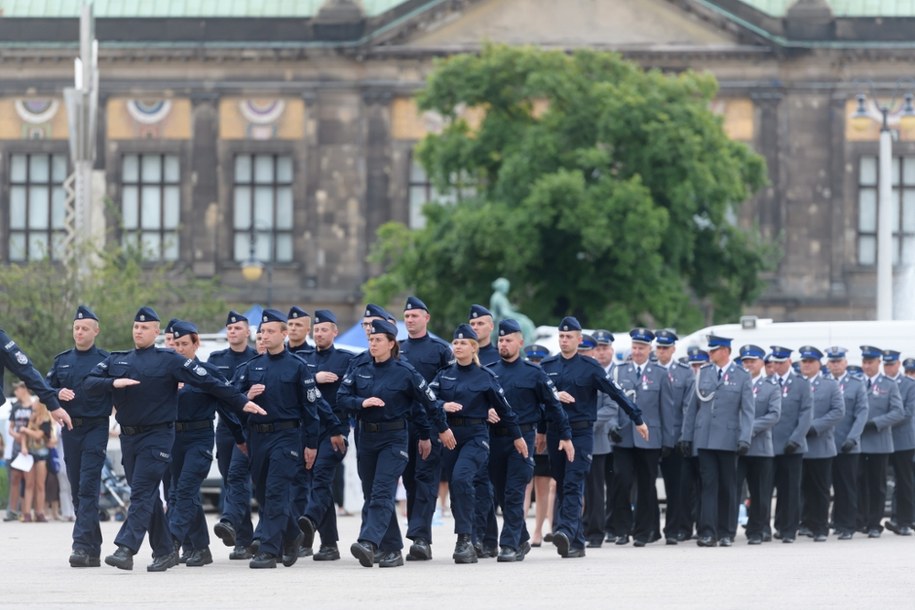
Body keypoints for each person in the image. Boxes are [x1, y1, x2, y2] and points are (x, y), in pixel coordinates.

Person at [84, 306, 265, 572]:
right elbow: (89, 383)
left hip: (159, 436)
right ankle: (166, 550)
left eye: (145, 328)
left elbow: (211, 382)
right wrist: (112, 384)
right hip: (129, 437)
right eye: (136, 327)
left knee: (145, 492)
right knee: (147, 496)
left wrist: (241, 402)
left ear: (156, 333)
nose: (139, 331)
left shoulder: (169, 360)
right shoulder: (119, 360)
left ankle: (126, 547)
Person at [338, 318, 453, 568]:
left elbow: (429, 404)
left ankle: (368, 542)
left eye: (378, 340)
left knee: (382, 490)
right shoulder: (360, 368)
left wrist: (438, 431)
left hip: (394, 438)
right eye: (370, 339)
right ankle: (392, 549)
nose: (373, 344)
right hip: (367, 437)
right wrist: (361, 403)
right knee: (372, 493)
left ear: (391, 343)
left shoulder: (406, 372)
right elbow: (342, 397)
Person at [232, 308, 331, 569]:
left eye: (270, 331)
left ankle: (268, 550)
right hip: (257, 437)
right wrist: (246, 397)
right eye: (262, 331)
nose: (264, 336)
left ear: (284, 334)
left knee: (276, 491)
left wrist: (311, 444)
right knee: (263, 494)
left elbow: (311, 410)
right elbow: (233, 400)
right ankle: (292, 535)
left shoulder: (298, 367)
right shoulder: (252, 366)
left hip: (287, 437)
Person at [541, 316, 646, 558]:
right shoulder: (546, 367)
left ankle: (565, 530)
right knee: (562, 481)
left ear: (579, 340)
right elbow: (536, 400)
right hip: (556, 432)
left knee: (573, 482)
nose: (564, 340)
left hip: (581, 432)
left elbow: (616, 393)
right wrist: (553, 399)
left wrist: (636, 417)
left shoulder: (590, 367)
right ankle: (576, 542)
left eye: (569, 337)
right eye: (562, 336)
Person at [432, 323, 525, 564]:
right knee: (457, 487)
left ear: (474, 348)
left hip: (476, 436)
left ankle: (464, 539)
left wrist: (517, 437)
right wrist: (442, 406)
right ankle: (471, 536)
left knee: (462, 478)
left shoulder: (486, 377)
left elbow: (505, 410)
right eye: (456, 343)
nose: (458, 346)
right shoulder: (445, 374)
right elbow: (427, 399)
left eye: (464, 343)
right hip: (451, 436)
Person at [489, 319, 573, 561]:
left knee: (515, 491)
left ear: (520, 342)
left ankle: (508, 545)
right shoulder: (491, 372)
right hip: (496, 438)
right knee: (502, 493)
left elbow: (554, 407)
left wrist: (565, 436)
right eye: (501, 340)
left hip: (523, 438)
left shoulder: (534, 373)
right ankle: (521, 537)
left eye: (508, 340)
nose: (503, 344)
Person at [168, 320, 248, 567]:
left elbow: (226, 408)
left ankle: (172, 542)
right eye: (175, 344)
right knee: (182, 493)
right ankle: (199, 547)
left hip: (199, 437)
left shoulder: (207, 373)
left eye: (184, 344)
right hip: (173, 439)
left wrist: (240, 438)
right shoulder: (166, 373)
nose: (179, 349)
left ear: (196, 344)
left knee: (185, 489)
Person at [46, 305, 112, 566]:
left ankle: (81, 545)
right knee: (76, 489)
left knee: (88, 486)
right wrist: (57, 394)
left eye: (85, 328)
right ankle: (93, 548)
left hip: (96, 427)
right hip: (70, 430)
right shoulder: (62, 360)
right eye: (76, 328)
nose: (80, 332)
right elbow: (46, 389)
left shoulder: (106, 360)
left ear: (96, 331)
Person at [680, 335, 754, 547]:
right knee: (707, 486)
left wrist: (744, 438)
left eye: (713, 351)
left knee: (728, 487)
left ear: (725, 351)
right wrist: (687, 437)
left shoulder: (741, 375)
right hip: (704, 438)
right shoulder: (703, 373)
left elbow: (748, 411)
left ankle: (726, 532)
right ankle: (707, 531)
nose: (710, 355)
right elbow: (692, 408)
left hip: (729, 439)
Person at [398, 296, 454, 561]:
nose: (410, 320)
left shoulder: (440, 349)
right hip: (403, 425)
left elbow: (451, 384)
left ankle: (421, 538)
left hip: (431, 424)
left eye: (415, 316)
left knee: (426, 479)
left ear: (426, 318)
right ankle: (417, 532)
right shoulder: (397, 348)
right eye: (407, 317)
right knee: (409, 481)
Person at [296, 309, 354, 561]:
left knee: (321, 476)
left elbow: (349, 393)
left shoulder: (346, 359)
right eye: (316, 330)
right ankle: (329, 544)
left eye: (323, 329)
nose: (319, 334)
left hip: (334, 430)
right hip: (308, 430)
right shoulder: (303, 359)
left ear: (334, 332)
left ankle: (308, 519)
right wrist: (314, 378)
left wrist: (339, 429)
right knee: (318, 485)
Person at [608, 328, 674, 547]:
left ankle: (644, 531)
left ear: (649, 349)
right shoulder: (619, 371)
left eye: (641, 348)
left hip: (650, 438)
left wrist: (667, 441)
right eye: (635, 347)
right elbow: (611, 404)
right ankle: (621, 529)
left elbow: (667, 409)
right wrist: (611, 425)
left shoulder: (660, 373)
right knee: (622, 482)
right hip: (623, 437)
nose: (637, 351)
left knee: (646, 486)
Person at [209, 310, 259, 560]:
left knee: (242, 481)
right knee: (232, 481)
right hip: (226, 429)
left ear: (247, 332)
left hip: (252, 428)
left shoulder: (256, 358)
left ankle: (251, 536)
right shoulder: (216, 359)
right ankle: (244, 539)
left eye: (238, 328)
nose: (232, 332)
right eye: (229, 328)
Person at [856, 345, 904, 538]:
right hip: (858, 442)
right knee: (860, 483)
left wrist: (876, 423)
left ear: (878, 363)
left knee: (877, 484)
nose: (867, 366)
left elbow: (898, 412)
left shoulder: (889, 384)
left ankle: (875, 523)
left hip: (879, 441)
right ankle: (862, 520)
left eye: (870, 362)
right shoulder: (856, 382)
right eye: (864, 362)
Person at [654, 329, 696, 544]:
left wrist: (683, 436)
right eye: (658, 347)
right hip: (651, 436)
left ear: (673, 349)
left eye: (665, 348)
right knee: (645, 486)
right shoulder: (649, 370)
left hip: (676, 437)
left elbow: (688, 407)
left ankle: (675, 528)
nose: (661, 351)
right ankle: (649, 528)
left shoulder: (684, 372)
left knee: (676, 487)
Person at [797, 346, 843, 542]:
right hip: (798, 445)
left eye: (810, 362)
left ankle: (820, 527)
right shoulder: (796, 383)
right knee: (801, 488)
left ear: (819, 364)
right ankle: (805, 523)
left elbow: (838, 411)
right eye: (804, 361)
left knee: (820, 489)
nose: (806, 365)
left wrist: (814, 427)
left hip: (820, 445)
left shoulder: (829, 384)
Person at [736, 344, 780, 545]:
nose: (748, 365)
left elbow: (773, 415)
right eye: (745, 361)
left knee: (760, 492)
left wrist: (748, 427)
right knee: (733, 489)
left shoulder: (771, 387)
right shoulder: (734, 384)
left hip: (760, 447)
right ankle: (728, 529)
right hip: (736, 447)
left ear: (761, 363)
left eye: (752, 361)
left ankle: (757, 530)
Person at [466, 304, 501, 557]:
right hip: (473, 431)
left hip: (499, 430)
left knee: (492, 486)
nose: (476, 328)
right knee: (478, 484)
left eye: (481, 324)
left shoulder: (500, 356)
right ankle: (480, 537)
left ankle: (489, 537)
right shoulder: (464, 355)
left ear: (491, 326)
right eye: (473, 324)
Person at [768, 346, 812, 544]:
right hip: (768, 446)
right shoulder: (766, 382)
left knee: (790, 490)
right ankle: (770, 527)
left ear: (788, 362)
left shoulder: (801, 384)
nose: (776, 366)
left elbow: (805, 414)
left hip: (791, 446)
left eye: (780, 362)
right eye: (774, 362)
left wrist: (795, 439)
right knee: (766, 489)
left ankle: (788, 529)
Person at [825, 347, 868, 540]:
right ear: (828, 364)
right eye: (832, 361)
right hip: (825, 444)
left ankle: (847, 525)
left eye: (838, 361)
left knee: (847, 487)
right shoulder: (823, 383)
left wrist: (853, 438)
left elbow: (861, 413)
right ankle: (829, 522)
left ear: (845, 363)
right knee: (824, 487)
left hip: (847, 444)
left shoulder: (856, 384)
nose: (835, 365)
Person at [583, 330, 615, 547]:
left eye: (588, 351)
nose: (585, 354)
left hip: (596, 441)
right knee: (578, 488)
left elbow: (611, 405)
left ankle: (595, 532)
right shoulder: (573, 373)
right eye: (582, 350)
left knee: (595, 490)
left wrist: (588, 423)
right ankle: (580, 528)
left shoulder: (600, 375)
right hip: (575, 440)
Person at [522, 343, 555, 547]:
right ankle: (522, 528)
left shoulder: (549, 382)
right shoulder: (523, 379)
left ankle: (538, 531)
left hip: (543, 439)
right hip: (524, 437)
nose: (535, 365)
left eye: (539, 361)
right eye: (532, 361)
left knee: (543, 488)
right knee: (524, 486)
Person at [882, 350, 915, 536]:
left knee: (905, 482)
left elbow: (908, 412)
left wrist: (881, 422)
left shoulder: (909, 385)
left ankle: (905, 521)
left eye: (891, 364)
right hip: (882, 440)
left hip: (902, 440)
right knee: (882, 481)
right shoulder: (880, 384)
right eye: (885, 365)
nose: (888, 368)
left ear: (898, 365)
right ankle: (894, 517)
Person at [17, 399, 54, 522]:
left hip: (42, 454)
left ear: (40, 405)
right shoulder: (30, 418)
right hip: (29, 453)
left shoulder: (46, 420)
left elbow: (39, 435)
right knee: (28, 484)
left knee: (40, 485)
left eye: (35, 403)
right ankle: (27, 513)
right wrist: (23, 446)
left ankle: (39, 512)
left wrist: (25, 430)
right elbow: (23, 436)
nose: (33, 405)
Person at [4, 382, 34, 522]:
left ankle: (26, 510)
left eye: (17, 389)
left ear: (24, 389)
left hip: (31, 446)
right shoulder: (16, 407)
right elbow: (11, 428)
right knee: (15, 479)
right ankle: (12, 510)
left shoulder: (34, 406)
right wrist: (16, 435)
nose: (16, 392)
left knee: (29, 481)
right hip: (16, 447)